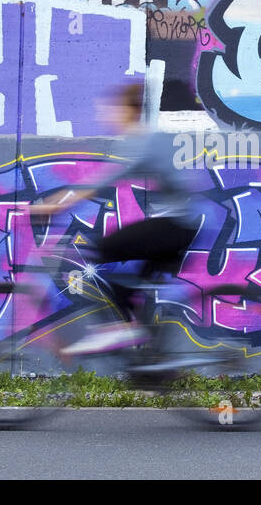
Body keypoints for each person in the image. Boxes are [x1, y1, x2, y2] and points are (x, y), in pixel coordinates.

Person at [30, 83, 200, 356]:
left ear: (129, 111)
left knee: (104, 248)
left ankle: (121, 327)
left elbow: (106, 179)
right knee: (132, 285)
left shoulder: (145, 139)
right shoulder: (147, 139)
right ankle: (151, 365)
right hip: (184, 224)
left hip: (178, 225)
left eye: (111, 111)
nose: (106, 117)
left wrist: (56, 204)